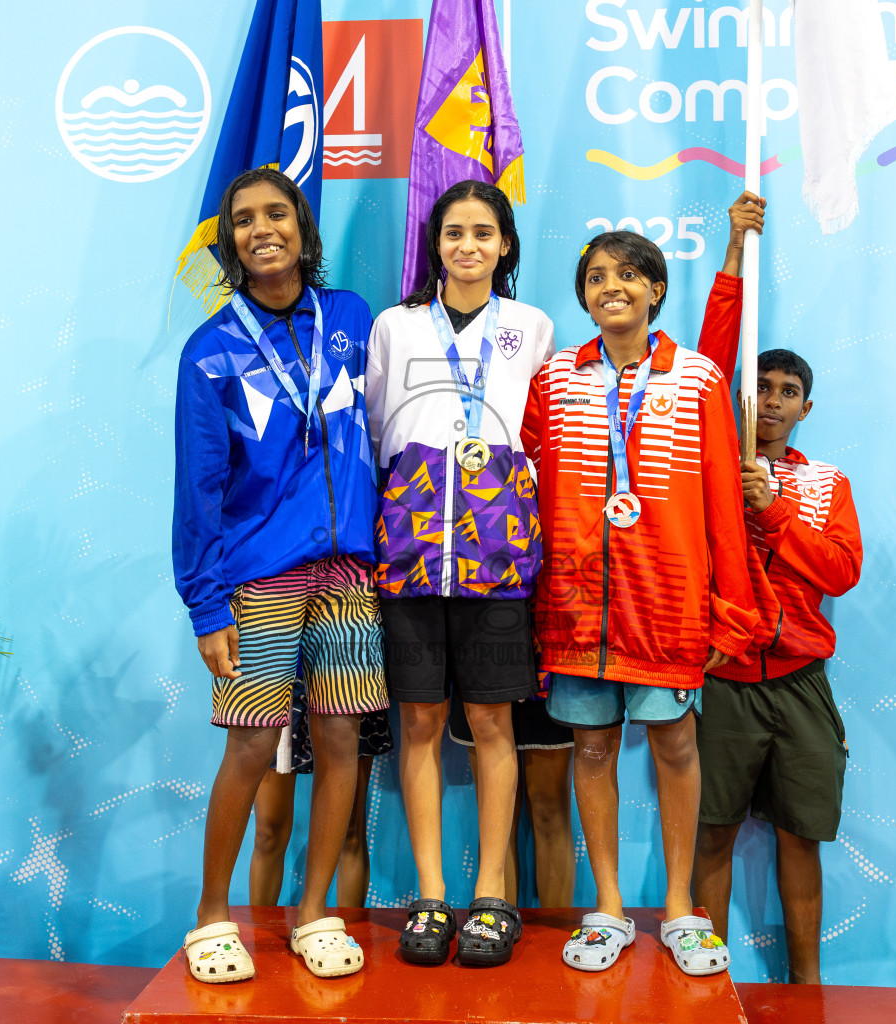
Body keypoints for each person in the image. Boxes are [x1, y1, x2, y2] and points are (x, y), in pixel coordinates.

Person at [521, 230, 758, 976]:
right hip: (577, 606)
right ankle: (610, 907)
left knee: (676, 747)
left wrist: (730, 608)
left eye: (628, 274)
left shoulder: (696, 380)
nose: (610, 287)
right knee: (591, 749)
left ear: (656, 289)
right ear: (583, 294)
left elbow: (722, 499)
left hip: (668, 603)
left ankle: (682, 909)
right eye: (595, 277)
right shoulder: (555, 380)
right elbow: (524, 496)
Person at [173, 167, 385, 983]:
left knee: (340, 742)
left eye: (278, 213)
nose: (263, 229)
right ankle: (211, 916)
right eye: (245, 220)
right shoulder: (211, 350)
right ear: (228, 241)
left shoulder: (350, 317)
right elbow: (198, 489)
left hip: (350, 574)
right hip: (258, 578)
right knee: (254, 745)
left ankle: (314, 910)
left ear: (303, 227)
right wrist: (205, 605)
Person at [365, 180, 555, 966]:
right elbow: (378, 431)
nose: (467, 245)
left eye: (483, 232)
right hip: (411, 557)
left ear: (505, 245)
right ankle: (432, 898)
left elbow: (542, 437)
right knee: (417, 725)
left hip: (498, 561)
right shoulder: (395, 326)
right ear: (433, 243)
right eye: (453, 233)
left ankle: (492, 897)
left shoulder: (532, 327)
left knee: (491, 725)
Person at [693, 191, 865, 984]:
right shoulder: (709, 463)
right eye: (760, 388)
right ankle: (702, 983)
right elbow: (713, 353)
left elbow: (840, 572)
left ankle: (807, 989)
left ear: (805, 407)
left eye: (785, 392)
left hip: (799, 680)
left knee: (801, 837)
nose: (770, 402)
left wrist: (778, 513)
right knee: (712, 833)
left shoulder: (826, 485)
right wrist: (734, 250)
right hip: (723, 679)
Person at [247, 685, 393, 909]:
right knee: (269, 832)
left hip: (345, 676)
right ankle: (259, 939)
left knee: (349, 831)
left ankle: (350, 938)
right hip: (280, 678)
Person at [447, 687, 575, 909]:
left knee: (550, 810)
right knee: (495, 819)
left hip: (545, 669)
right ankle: (495, 926)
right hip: (485, 664)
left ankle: (555, 934)